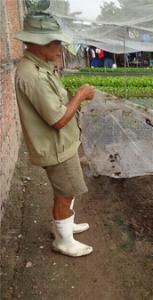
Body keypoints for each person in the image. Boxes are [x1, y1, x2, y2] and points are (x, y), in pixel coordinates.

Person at [14, 12, 96, 257]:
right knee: (66, 191)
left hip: (61, 145)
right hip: (56, 147)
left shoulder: (41, 67)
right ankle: (63, 241)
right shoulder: (33, 75)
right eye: (56, 43)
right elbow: (58, 119)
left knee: (65, 190)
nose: (60, 48)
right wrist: (80, 96)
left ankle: (65, 227)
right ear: (39, 44)